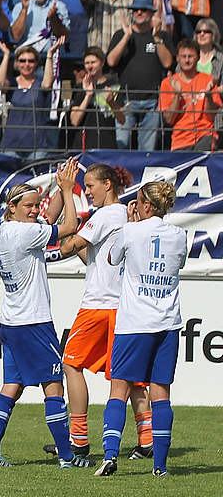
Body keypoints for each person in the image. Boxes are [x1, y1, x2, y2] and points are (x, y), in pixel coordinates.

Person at [0, 160, 89, 468]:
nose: (34, 210)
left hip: (12, 321)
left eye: (35, 205)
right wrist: (68, 191)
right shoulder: (24, 234)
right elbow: (67, 227)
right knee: (53, 387)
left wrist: (57, 185)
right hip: (34, 322)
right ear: (11, 207)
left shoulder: (7, 231)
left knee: (11, 387)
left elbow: (47, 219)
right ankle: (68, 457)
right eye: (28, 206)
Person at [53, 163, 148, 462]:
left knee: (70, 363)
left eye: (90, 186)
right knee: (128, 377)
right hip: (123, 307)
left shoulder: (106, 214)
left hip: (98, 306)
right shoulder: (119, 216)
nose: (88, 192)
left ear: (108, 185)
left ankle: (78, 439)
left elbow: (68, 246)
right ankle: (147, 441)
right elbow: (90, 257)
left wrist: (67, 193)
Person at [95, 180, 187, 478]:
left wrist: (133, 225)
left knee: (118, 390)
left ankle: (110, 456)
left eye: (137, 202)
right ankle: (159, 466)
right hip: (167, 325)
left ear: (146, 205)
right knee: (161, 394)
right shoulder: (180, 235)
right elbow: (178, 264)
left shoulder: (130, 231)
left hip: (134, 324)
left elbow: (111, 258)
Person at [107, 0, 173, 152]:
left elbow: (168, 63)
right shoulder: (121, 34)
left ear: (152, 12)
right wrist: (126, 37)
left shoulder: (162, 35)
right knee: (122, 147)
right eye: (135, 9)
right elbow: (110, 61)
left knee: (147, 151)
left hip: (152, 101)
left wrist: (156, 37)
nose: (139, 12)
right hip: (126, 101)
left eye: (143, 9)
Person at [159, 39, 220, 151]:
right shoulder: (168, 83)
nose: (187, 60)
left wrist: (208, 96)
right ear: (177, 58)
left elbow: (211, 117)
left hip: (205, 136)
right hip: (180, 141)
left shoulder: (208, 80)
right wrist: (177, 95)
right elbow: (169, 119)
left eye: (190, 56)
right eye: (183, 56)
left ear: (197, 58)